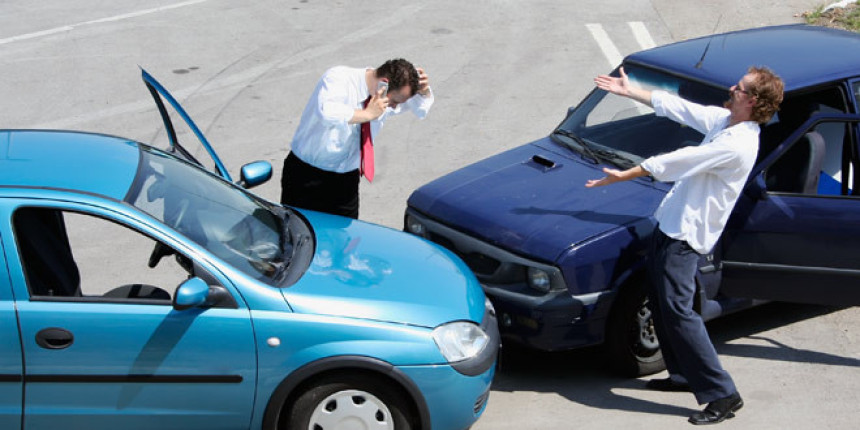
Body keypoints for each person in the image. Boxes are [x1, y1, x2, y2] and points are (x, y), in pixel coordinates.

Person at [587, 66, 783, 425]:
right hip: (671, 225)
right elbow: (679, 107)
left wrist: (626, 174)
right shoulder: (726, 121)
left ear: (752, 100)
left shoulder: (737, 144)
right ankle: (681, 375)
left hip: (686, 238)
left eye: (738, 87)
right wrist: (630, 92)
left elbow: (681, 160)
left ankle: (723, 394)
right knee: (665, 304)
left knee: (679, 312)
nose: (730, 87)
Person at [280, 58, 433, 219]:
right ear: (384, 84)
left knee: (346, 238)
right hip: (307, 176)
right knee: (296, 236)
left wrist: (424, 92)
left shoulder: (383, 98)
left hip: (346, 181)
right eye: (394, 101)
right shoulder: (338, 78)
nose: (394, 107)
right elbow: (327, 112)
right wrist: (367, 114)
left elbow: (421, 110)